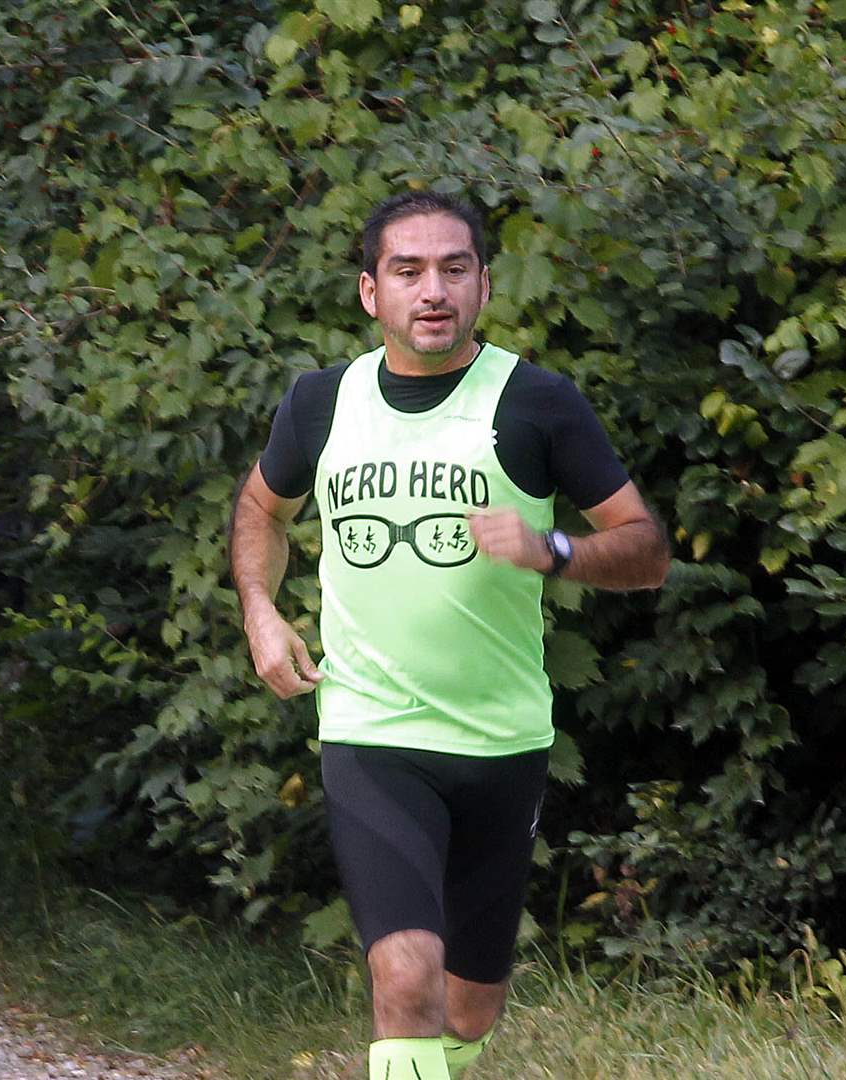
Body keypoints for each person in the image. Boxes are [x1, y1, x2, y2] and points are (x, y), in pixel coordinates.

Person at [230, 192, 670, 1080]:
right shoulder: (322, 402)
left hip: (502, 740)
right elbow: (261, 508)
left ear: (483, 286)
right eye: (408, 271)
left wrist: (552, 549)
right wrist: (260, 610)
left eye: (453, 269)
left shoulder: (536, 402)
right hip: (373, 730)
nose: (432, 290)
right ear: (371, 291)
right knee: (405, 976)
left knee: (468, 1008)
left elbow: (647, 550)